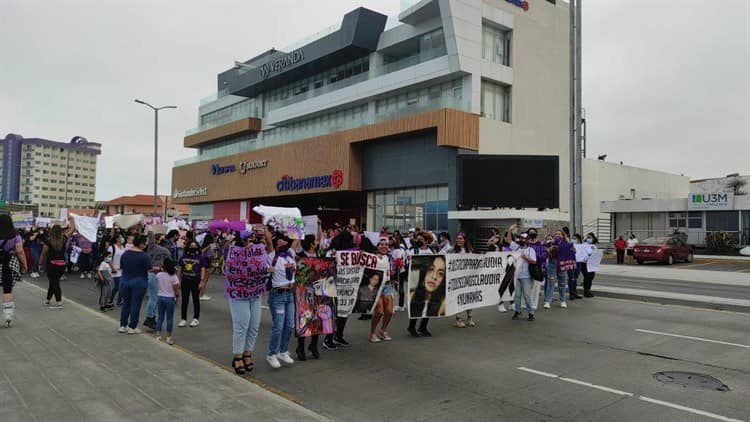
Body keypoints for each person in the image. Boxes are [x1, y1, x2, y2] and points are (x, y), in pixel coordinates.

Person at [266, 233, 300, 369]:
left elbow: (297, 239)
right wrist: (265, 228)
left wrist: (298, 225)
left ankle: (283, 351)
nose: (283, 242)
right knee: (278, 326)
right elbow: (268, 241)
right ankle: (271, 354)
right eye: (279, 241)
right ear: (275, 244)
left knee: (290, 325)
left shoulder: (290, 254)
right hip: (278, 295)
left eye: (284, 240)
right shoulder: (272, 256)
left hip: (289, 295)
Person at [118, 234, 156, 334]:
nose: (146, 244)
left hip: (125, 280)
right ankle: (132, 327)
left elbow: (121, 267)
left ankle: (122, 325)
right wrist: (159, 269)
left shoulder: (125, 254)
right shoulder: (144, 255)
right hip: (139, 282)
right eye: (145, 243)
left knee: (126, 303)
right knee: (135, 304)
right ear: (141, 244)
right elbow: (150, 268)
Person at [295, 233, 322, 361]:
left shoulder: (319, 255)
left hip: (317, 291)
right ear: (311, 243)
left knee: (317, 319)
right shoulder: (301, 257)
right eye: (315, 241)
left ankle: (313, 345)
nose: (317, 242)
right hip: (304, 292)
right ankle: (300, 347)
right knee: (304, 319)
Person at [408, 253, 445, 337]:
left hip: (433, 299)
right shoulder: (412, 295)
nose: (434, 277)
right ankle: (411, 327)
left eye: (440, 274)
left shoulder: (441, 304)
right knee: (417, 303)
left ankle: (423, 327)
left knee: (430, 303)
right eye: (431, 269)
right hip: (419, 293)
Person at [39, 220, 74, 310]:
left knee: (55, 283)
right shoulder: (64, 239)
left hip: (52, 265)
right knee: (53, 282)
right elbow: (72, 229)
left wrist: (40, 264)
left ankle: (59, 303)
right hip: (62, 264)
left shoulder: (48, 241)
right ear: (61, 231)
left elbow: (43, 253)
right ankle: (47, 300)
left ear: (51, 231)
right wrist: (72, 220)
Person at [0, 214, 27, 326]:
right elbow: (20, 251)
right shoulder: (16, 235)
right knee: (8, 289)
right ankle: (8, 316)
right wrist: (24, 264)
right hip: (10, 262)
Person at [143, 233, 172, 330]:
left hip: (150, 274)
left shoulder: (151, 248)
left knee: (152, 297)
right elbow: (170, 263)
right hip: (157, 274)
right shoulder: (165, 251)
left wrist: (150, 230)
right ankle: (150, 318)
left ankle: (151, 317)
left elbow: (150, 238)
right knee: (154, 298)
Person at [369, 239, 395, 343]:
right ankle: (372, 333)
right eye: (381, 244)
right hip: (376, 287)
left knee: (389, 311)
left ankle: (383, 331)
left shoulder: (389, 257)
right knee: (379, 312)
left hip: (387, 285)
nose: (384, 246)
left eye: (386, 245)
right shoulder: (372, 257)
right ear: (377, 246)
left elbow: (391, 270)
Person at [177, 240, 207, 328]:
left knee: (195, 299)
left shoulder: (200, 257)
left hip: (196, 281)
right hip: (185, 280)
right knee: (184, 300)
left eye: (195, 246)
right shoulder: (183, 257)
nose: (193, 248)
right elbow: (180, 268)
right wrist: (178, 279)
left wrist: (202, 281)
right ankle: (183, 319)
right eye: (191, 246)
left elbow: (202, 269)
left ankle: (196, 318)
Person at [451, 232, 477, 328]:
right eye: (457, 238)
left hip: (468, 279)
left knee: (468, 299)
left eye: (461, 238)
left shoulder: (470, 250)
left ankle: (469, 318)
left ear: (465, 240)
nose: (458, 240)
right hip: (457, 280)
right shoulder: (453, 251)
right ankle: (458, 319)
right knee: (458, 299)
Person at [511, 233, 537, 321]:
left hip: (526, 276)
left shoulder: (531, 250)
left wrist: (525, 257)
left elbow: (534, 261)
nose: (521, 240)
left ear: (527, 240)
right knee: (517, 295)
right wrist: (510, 230)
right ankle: (517, 311)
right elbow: (508, 240)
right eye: (520, 238)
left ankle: (531, 313)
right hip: (517, 275)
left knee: (527, 295)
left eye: (523, 239)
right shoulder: (517, 248)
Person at [155, 258, 180, 346]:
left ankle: (158, 335)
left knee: (160, 316)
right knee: (169, 318)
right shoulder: (174, 276)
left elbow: (156, 278)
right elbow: (176, 288)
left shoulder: (159, 275)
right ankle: (169, 337)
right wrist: (177, 297)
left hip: (160, 297)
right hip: (169, 298)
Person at [526, 228, 547, 312]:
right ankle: (525, 303)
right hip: (526, 267)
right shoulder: (526, 244)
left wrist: (542, 267)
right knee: (527, 286)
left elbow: (543, 257)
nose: (532, 234)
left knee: (536, 287)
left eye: (534, 233)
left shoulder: (540, 245)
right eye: (530, 233)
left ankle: (534, 304)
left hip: (537, 267)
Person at [543, 234, 567, 309]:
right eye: (556, 234)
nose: (558, 235)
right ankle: (547, 301)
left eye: (559, 234)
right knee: (551, 282)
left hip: (561, 264)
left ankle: (563, 300)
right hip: (551, 264)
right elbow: (544, 249)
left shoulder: (564, 243)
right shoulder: (550, 243)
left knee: (562, 284)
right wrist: (549, 246)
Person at [580, 233, 600, 297]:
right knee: (587, 277)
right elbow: (582, 254)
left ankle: (588, 290)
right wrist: (588, 255)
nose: (589, 239)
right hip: (584, 263)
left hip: (592, 263)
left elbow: (596, 254)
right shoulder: (583, 245)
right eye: (588, 237)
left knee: (591, 276)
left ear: (593, 238)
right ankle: (586, 291)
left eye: (590, 237)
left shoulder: (594, 246)